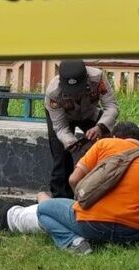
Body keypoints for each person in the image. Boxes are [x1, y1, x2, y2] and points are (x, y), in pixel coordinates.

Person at [37, 121, 139, 255]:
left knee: (43, 209)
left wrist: (82, 202)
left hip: (90, 225)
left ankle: (74, 242)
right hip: (131, 233)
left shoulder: (105, 144)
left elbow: (74, 179)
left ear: (114, 136)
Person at [45, 59, 119, 198]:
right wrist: (69, 141)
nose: (75, 95)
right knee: (61, 157)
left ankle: (108, 189)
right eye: (71, 92)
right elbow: (60, 127)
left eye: (78, 89)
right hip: (63, 118)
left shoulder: (98, 78)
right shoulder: (53, 93)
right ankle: (61, 198)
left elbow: (111, 106)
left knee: (109, 145)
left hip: (90, 113)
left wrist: (100, 127)